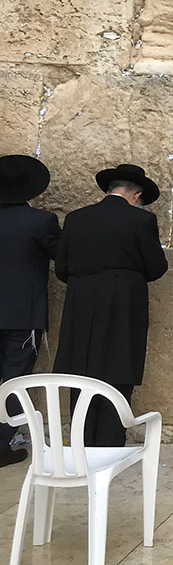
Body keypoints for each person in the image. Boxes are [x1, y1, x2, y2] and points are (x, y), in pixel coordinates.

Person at [54, 164, 168, 446]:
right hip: (122, 306)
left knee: (82, 375)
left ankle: (81, 446)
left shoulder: (76, 219)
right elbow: (156, 267)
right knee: (117, 374)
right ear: (135, 195)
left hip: (81, 305)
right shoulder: (141, 221)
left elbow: (62, 268)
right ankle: (109, 447)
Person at [0, 155, 61, 466]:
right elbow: (62, 258)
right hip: (23, 313)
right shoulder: (40, 222)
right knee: (13, 379)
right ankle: (1, 444)